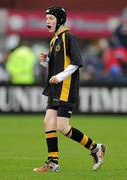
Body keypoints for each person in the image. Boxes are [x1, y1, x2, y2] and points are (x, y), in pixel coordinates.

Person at [33, 6, 106, 172]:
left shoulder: (68, 37)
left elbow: (76, 62)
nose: (47, 22)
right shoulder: (54, 40)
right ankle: (53, 163)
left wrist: (60, 77)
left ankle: (96, 148)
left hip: (66, 88)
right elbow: (55, 66)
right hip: (55, 89)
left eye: (51, 18)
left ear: (59, 20)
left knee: (63, 127)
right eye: (46, 19)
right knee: (48, 122)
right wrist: (46, 61)